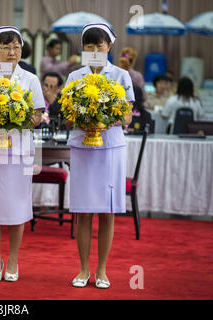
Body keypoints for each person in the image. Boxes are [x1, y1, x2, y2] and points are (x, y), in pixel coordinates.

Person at [0, 26, 45, 282]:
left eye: (16, 47)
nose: (12, 52)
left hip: (19, 152)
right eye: (6, 47)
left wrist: (17, 120)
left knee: (16, 207)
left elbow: (37, 116)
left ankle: (13, 259)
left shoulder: (30, 79)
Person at [65, 23, 134, 289]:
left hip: (111, 148)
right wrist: (80, 121)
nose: (95, 50)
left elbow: (127, 114)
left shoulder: (121, 76)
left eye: (100, 46)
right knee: (83, 211)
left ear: (109, 46)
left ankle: (102, 270)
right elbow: (69, 111)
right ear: (83, 49)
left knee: (107, 211)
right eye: (89, 47)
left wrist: (109, 121)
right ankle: (83, 269)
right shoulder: (75, 77)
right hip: (83, 147)